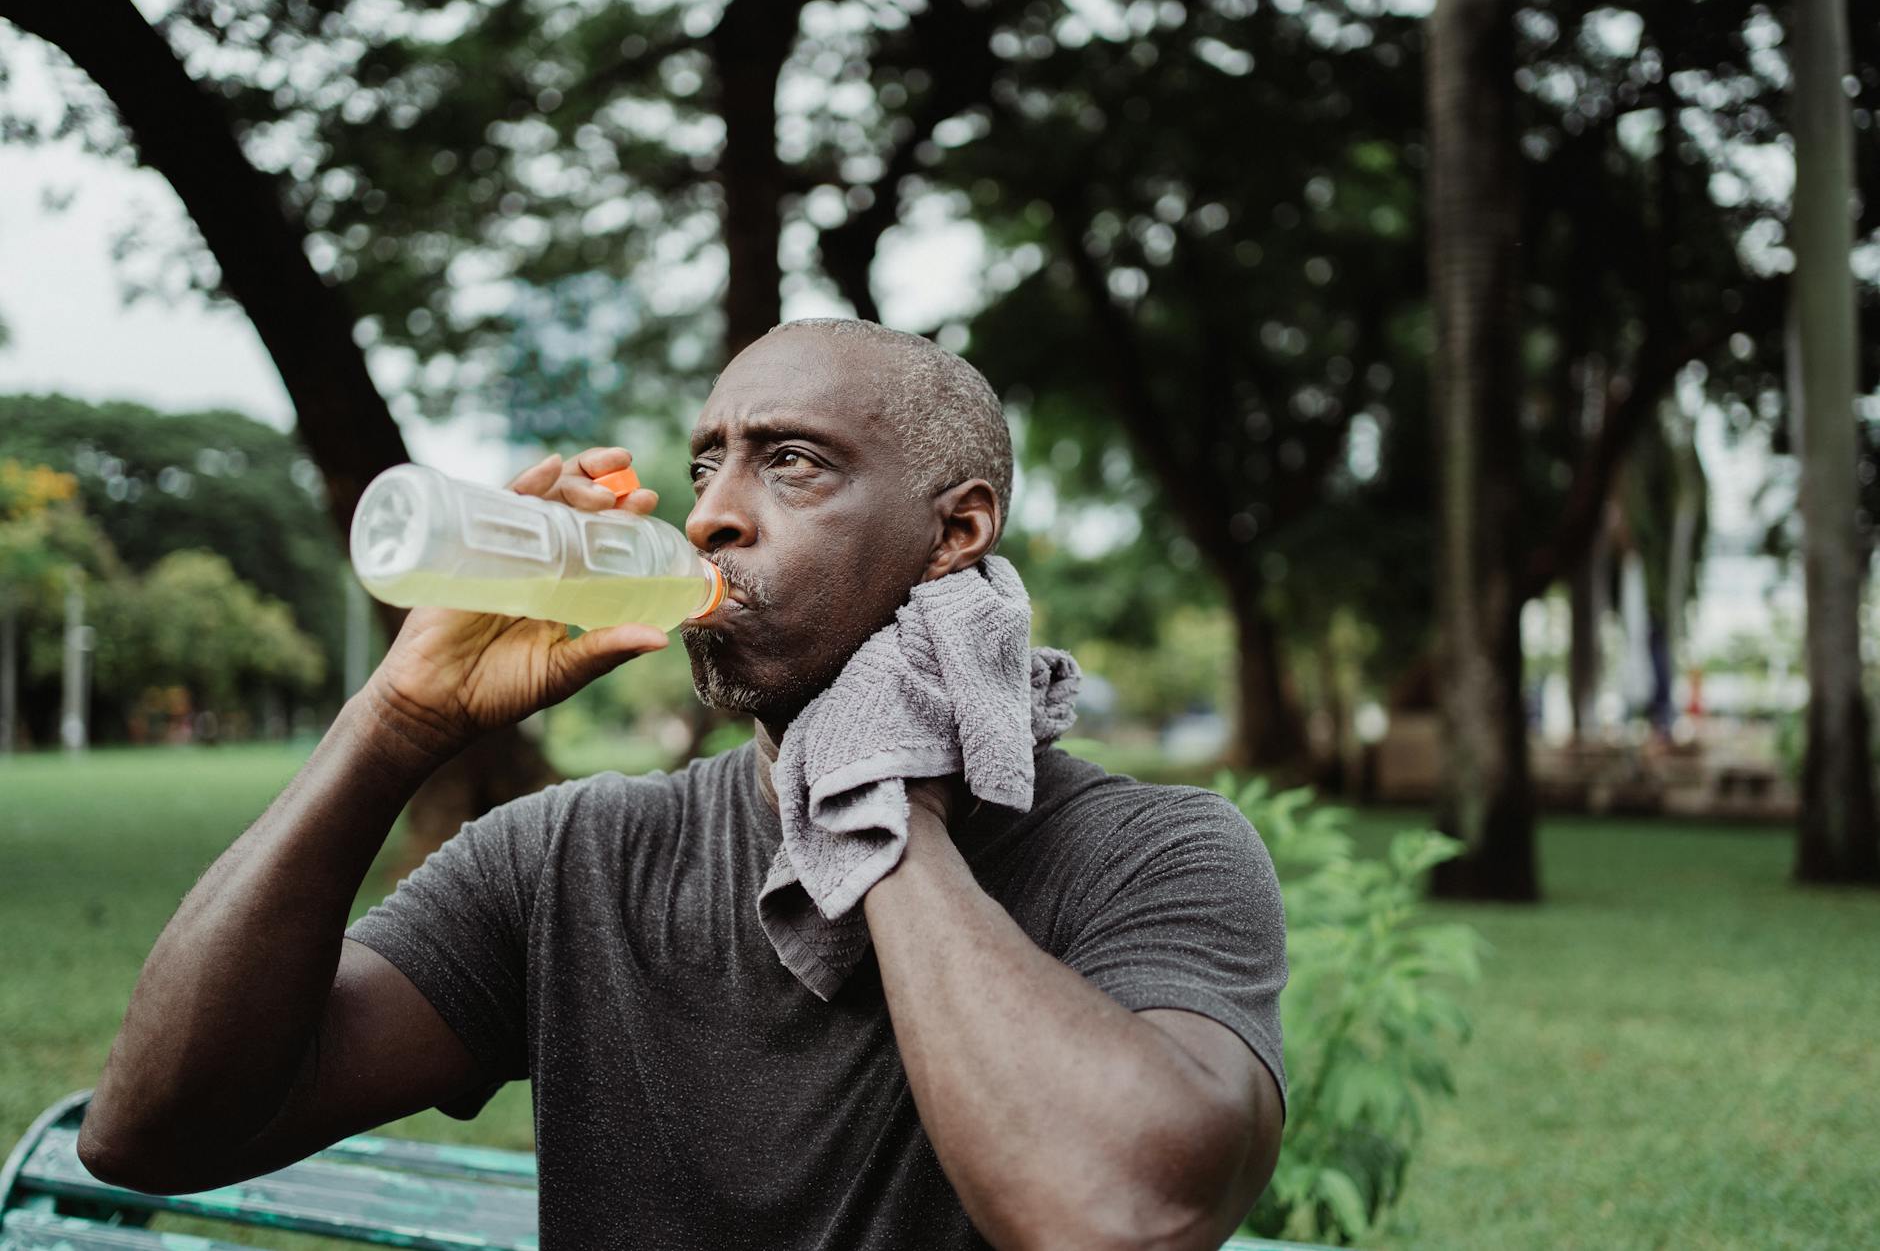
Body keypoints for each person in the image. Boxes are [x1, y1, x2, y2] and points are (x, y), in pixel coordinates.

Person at [78, 319, 1289, 1250]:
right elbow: (152, 1132)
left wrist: (877, 798)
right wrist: (390, 726)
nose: (711, 513)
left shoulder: (1152, 853)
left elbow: (1117, 1209)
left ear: (953, 533)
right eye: (707, 463)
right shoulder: (570, 857)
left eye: (792, 463)